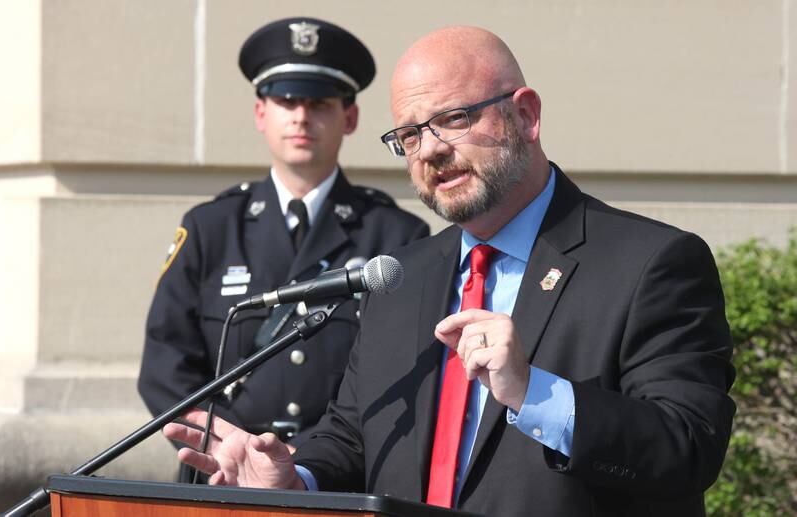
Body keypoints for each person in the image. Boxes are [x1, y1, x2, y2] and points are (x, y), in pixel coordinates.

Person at [163, 26, 736, 516]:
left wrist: (534, 393)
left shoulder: (651, 263)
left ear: (527, 115)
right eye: (410, 135)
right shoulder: (400, 277)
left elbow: (689, 448)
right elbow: (352, 435)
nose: (430, 150)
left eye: (453, 119)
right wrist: (295, 482)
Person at [138, 16, 429, 478]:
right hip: (219, 476)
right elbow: (165, 363)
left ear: (349, 118)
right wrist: (229, 442)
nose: (301, 116)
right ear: (261, 113)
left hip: (334, 482)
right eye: (286, 100)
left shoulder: (396, 237)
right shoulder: (211, 228)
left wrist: (313, 457)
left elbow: (404, 375)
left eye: (319, 103)